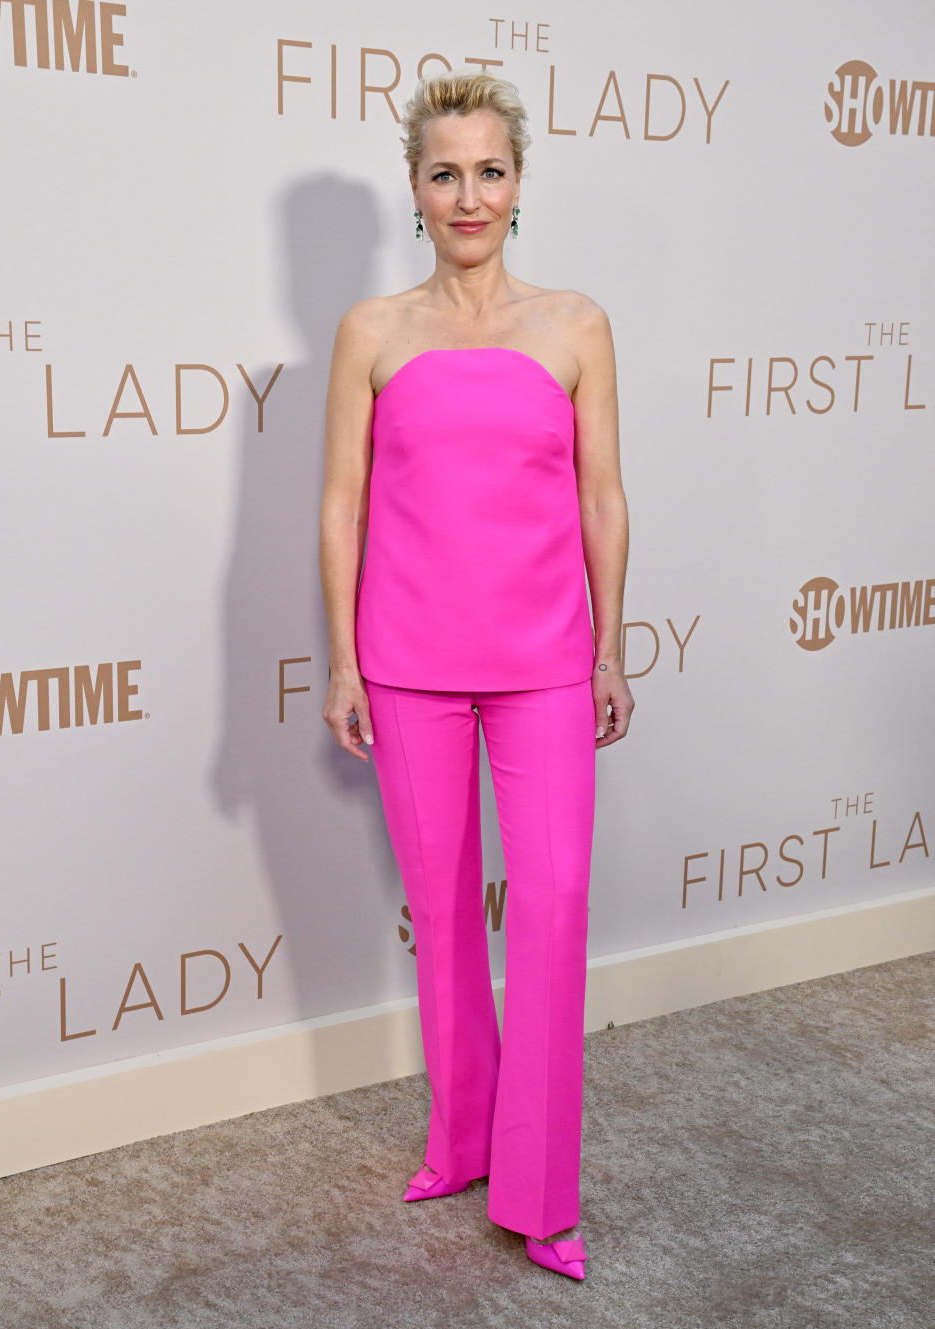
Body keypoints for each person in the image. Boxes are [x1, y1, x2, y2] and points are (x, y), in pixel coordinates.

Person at [319, 68, 633, 1281]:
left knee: (549, 909)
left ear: (518, 185)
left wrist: (609, 648)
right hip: (404, 666)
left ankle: (542, 1194)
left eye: (489, 171)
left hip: (546, 662)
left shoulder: (575, 325)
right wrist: (342, 657)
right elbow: (343, 504)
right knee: (445, 912)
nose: (469, 194)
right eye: (445, 172)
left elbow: (601, 496)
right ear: (415, 188)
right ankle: (460, 1142)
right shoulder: (372, 334)